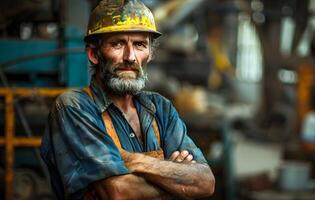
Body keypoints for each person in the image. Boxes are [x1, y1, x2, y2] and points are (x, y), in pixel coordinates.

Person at [40, 0, 215, 199]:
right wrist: (175, 177)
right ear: (94, 54)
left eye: (140, 44)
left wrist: (134, 162)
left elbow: (205, 182)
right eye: (118, 44)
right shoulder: (74, 107)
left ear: (150, 54)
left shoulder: (161, 108)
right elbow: (119, 192)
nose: (130, 57)